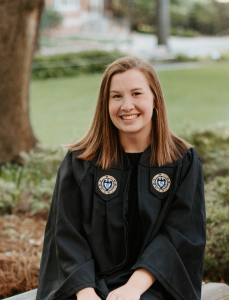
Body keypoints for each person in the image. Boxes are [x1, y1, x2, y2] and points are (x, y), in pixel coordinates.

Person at [36, 56, 206, 300]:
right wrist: (85, 293)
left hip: (155, 283)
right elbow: (66, 233)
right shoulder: (81, 162)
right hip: (85, 283)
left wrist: (133, 288)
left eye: (137, 93)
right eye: (116, 96)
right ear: (105, 104)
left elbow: (178, 234)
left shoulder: (182, 162)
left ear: (155, 99)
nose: (127, 105)